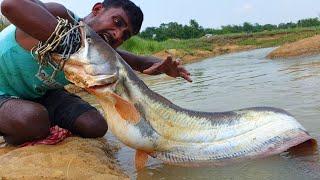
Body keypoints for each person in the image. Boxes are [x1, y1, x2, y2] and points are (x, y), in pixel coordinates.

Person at [0, 0, 192, 145]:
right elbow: (10, 4)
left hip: (39, 93)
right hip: (3, 93)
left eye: (125, 35)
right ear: (98, 9)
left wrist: (161, 65)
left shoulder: (96, 50)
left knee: (95, 126)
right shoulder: (62, 17)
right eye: (117, 22)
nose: (117, 34)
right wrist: (68, 41)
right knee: (32, 120)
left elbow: (136, 61)